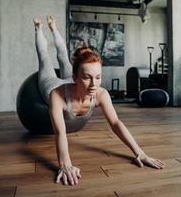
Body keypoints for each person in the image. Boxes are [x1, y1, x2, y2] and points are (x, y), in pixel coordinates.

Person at [33, 15, 165, 186]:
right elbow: (60, 132)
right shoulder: (55, 95)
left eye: (98, 77)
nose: (94, 84)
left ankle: (53, 28)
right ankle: (38, 28)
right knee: (45, 58)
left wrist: (140, 153)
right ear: (75, 77)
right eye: (88, 77)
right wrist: (65, 165)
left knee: (64, 56)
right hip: (53, 84)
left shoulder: (101, 94)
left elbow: (116, 123)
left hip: (74, 84)